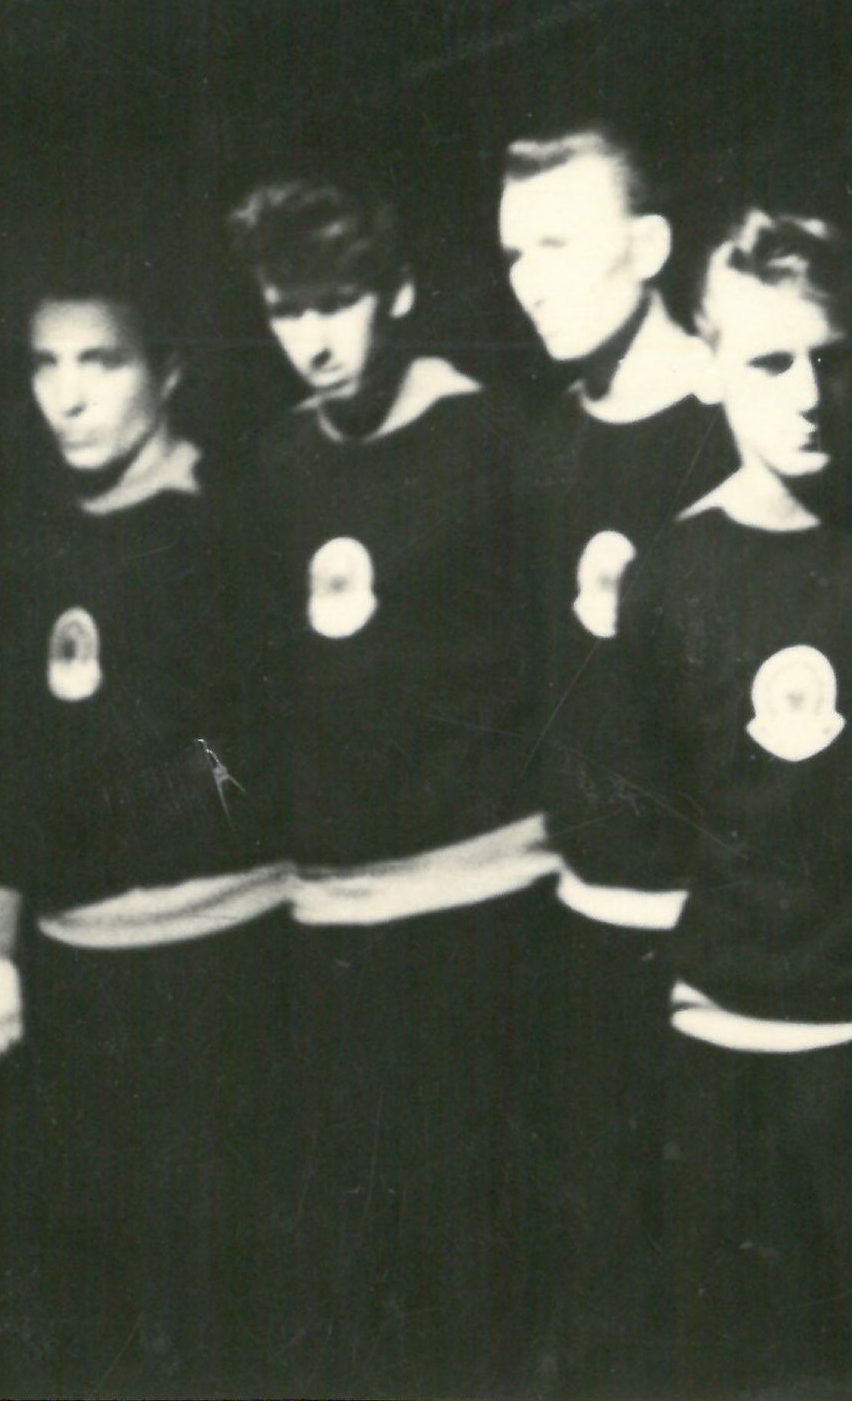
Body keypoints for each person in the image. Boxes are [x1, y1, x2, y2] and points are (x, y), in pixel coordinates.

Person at [545, 199, 852, 1395]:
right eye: (771, 362)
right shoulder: (672, 574)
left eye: (834, 357)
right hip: (740, 1071)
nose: (810, 395)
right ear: (711, 367)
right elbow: (649, 832)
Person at [0, 249, 286, 1394]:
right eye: (45, 365)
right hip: (81, 979)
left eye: (102, 361)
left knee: (229, 1316)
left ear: (169, 370)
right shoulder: (37, 541)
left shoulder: (234, 521)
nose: (68, 396)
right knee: (106, 1317)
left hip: (222, 971)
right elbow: (17, 760)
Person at [225, 173, 556, 1395]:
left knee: (492, 1261)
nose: (312, 335)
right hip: (333, 924)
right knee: (369, 1267)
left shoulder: (494, 438)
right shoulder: (274, 466)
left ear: (398, 294)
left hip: (485, 914)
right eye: (285, 309)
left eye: (336, 301)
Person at [497, 115, 730, 1389]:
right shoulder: (546, 447)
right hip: (589, 931)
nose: (529, 279)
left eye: (558, 243)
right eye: (512, 252)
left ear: (647, 248)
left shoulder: (738, 418)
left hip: (737, 940)